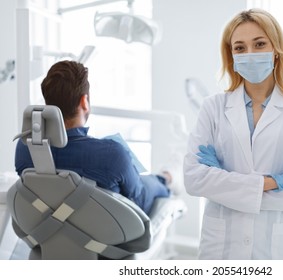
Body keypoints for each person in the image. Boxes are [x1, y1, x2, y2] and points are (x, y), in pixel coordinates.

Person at [183, 9, 283, 260]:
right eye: (239, 48)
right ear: (231, 56)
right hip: (221, 248)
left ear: (276, 50)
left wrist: (225, 184)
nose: (249, 54)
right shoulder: (213, 107)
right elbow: (194, 179)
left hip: (279, 249)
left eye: (259, 44)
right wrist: (278, 181)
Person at [15, 60, 177, 215]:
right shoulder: (111, 154)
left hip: (50, 233)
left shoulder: (26, 147)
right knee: (147, 184)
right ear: (84, 101)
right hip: (107, 237)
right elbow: (138, 196)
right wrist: (161, 181)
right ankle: (166, 178)